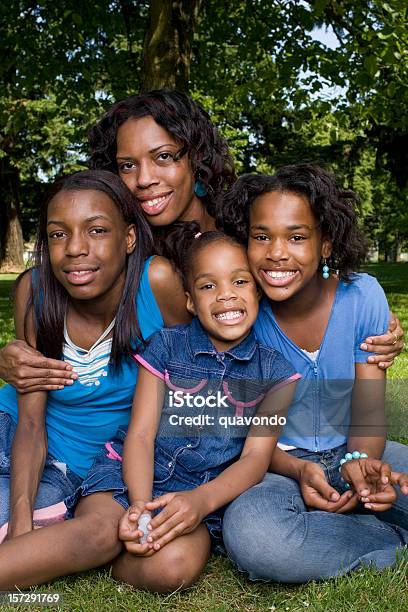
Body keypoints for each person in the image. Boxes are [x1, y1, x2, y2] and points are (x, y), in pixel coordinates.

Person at [0, 90, 403, 392]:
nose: (143, 179)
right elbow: (63, 305)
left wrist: (369, 325)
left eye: (164, 157)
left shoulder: (243, 224)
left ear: (195, 157)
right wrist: (14, 355)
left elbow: (304, 264)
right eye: (127, 166)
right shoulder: (124, 250)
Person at [65, 227, 299, 592]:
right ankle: (99, 544)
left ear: (257, 291)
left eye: (240, 281)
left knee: (174, 569)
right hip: (129, 476)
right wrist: (140, 506)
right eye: (208, 286)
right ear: (190, 301)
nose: (225, 295)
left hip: (199, 496)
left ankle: (108, 560)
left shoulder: (277, 374)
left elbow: (255, 458)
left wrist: (201, 502)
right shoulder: (165, 347)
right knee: (99, 530)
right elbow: (140, 435)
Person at [217, 164, 408, 582]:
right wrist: (301, 469)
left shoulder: (363, 296)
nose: (276, 252)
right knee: (256, 537)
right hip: (273, 466)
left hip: (354, 447)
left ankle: (353, 513)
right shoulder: (241, 315)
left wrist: (361, 462)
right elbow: (244, 433)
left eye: (297, 237)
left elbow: (369, 412)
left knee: (390, 479)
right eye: (261, 236)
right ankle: (386, 539)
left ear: (326, 244)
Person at [0, 169, 190, 588]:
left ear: (128, 238)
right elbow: (31, 421)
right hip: (15, 438)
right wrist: (20, 522)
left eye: (97, 230)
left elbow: (199, 380)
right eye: (58, 234)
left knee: (95, 534)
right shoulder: (35, 290)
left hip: (92, 469)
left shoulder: (156, 284)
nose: (75, 249)